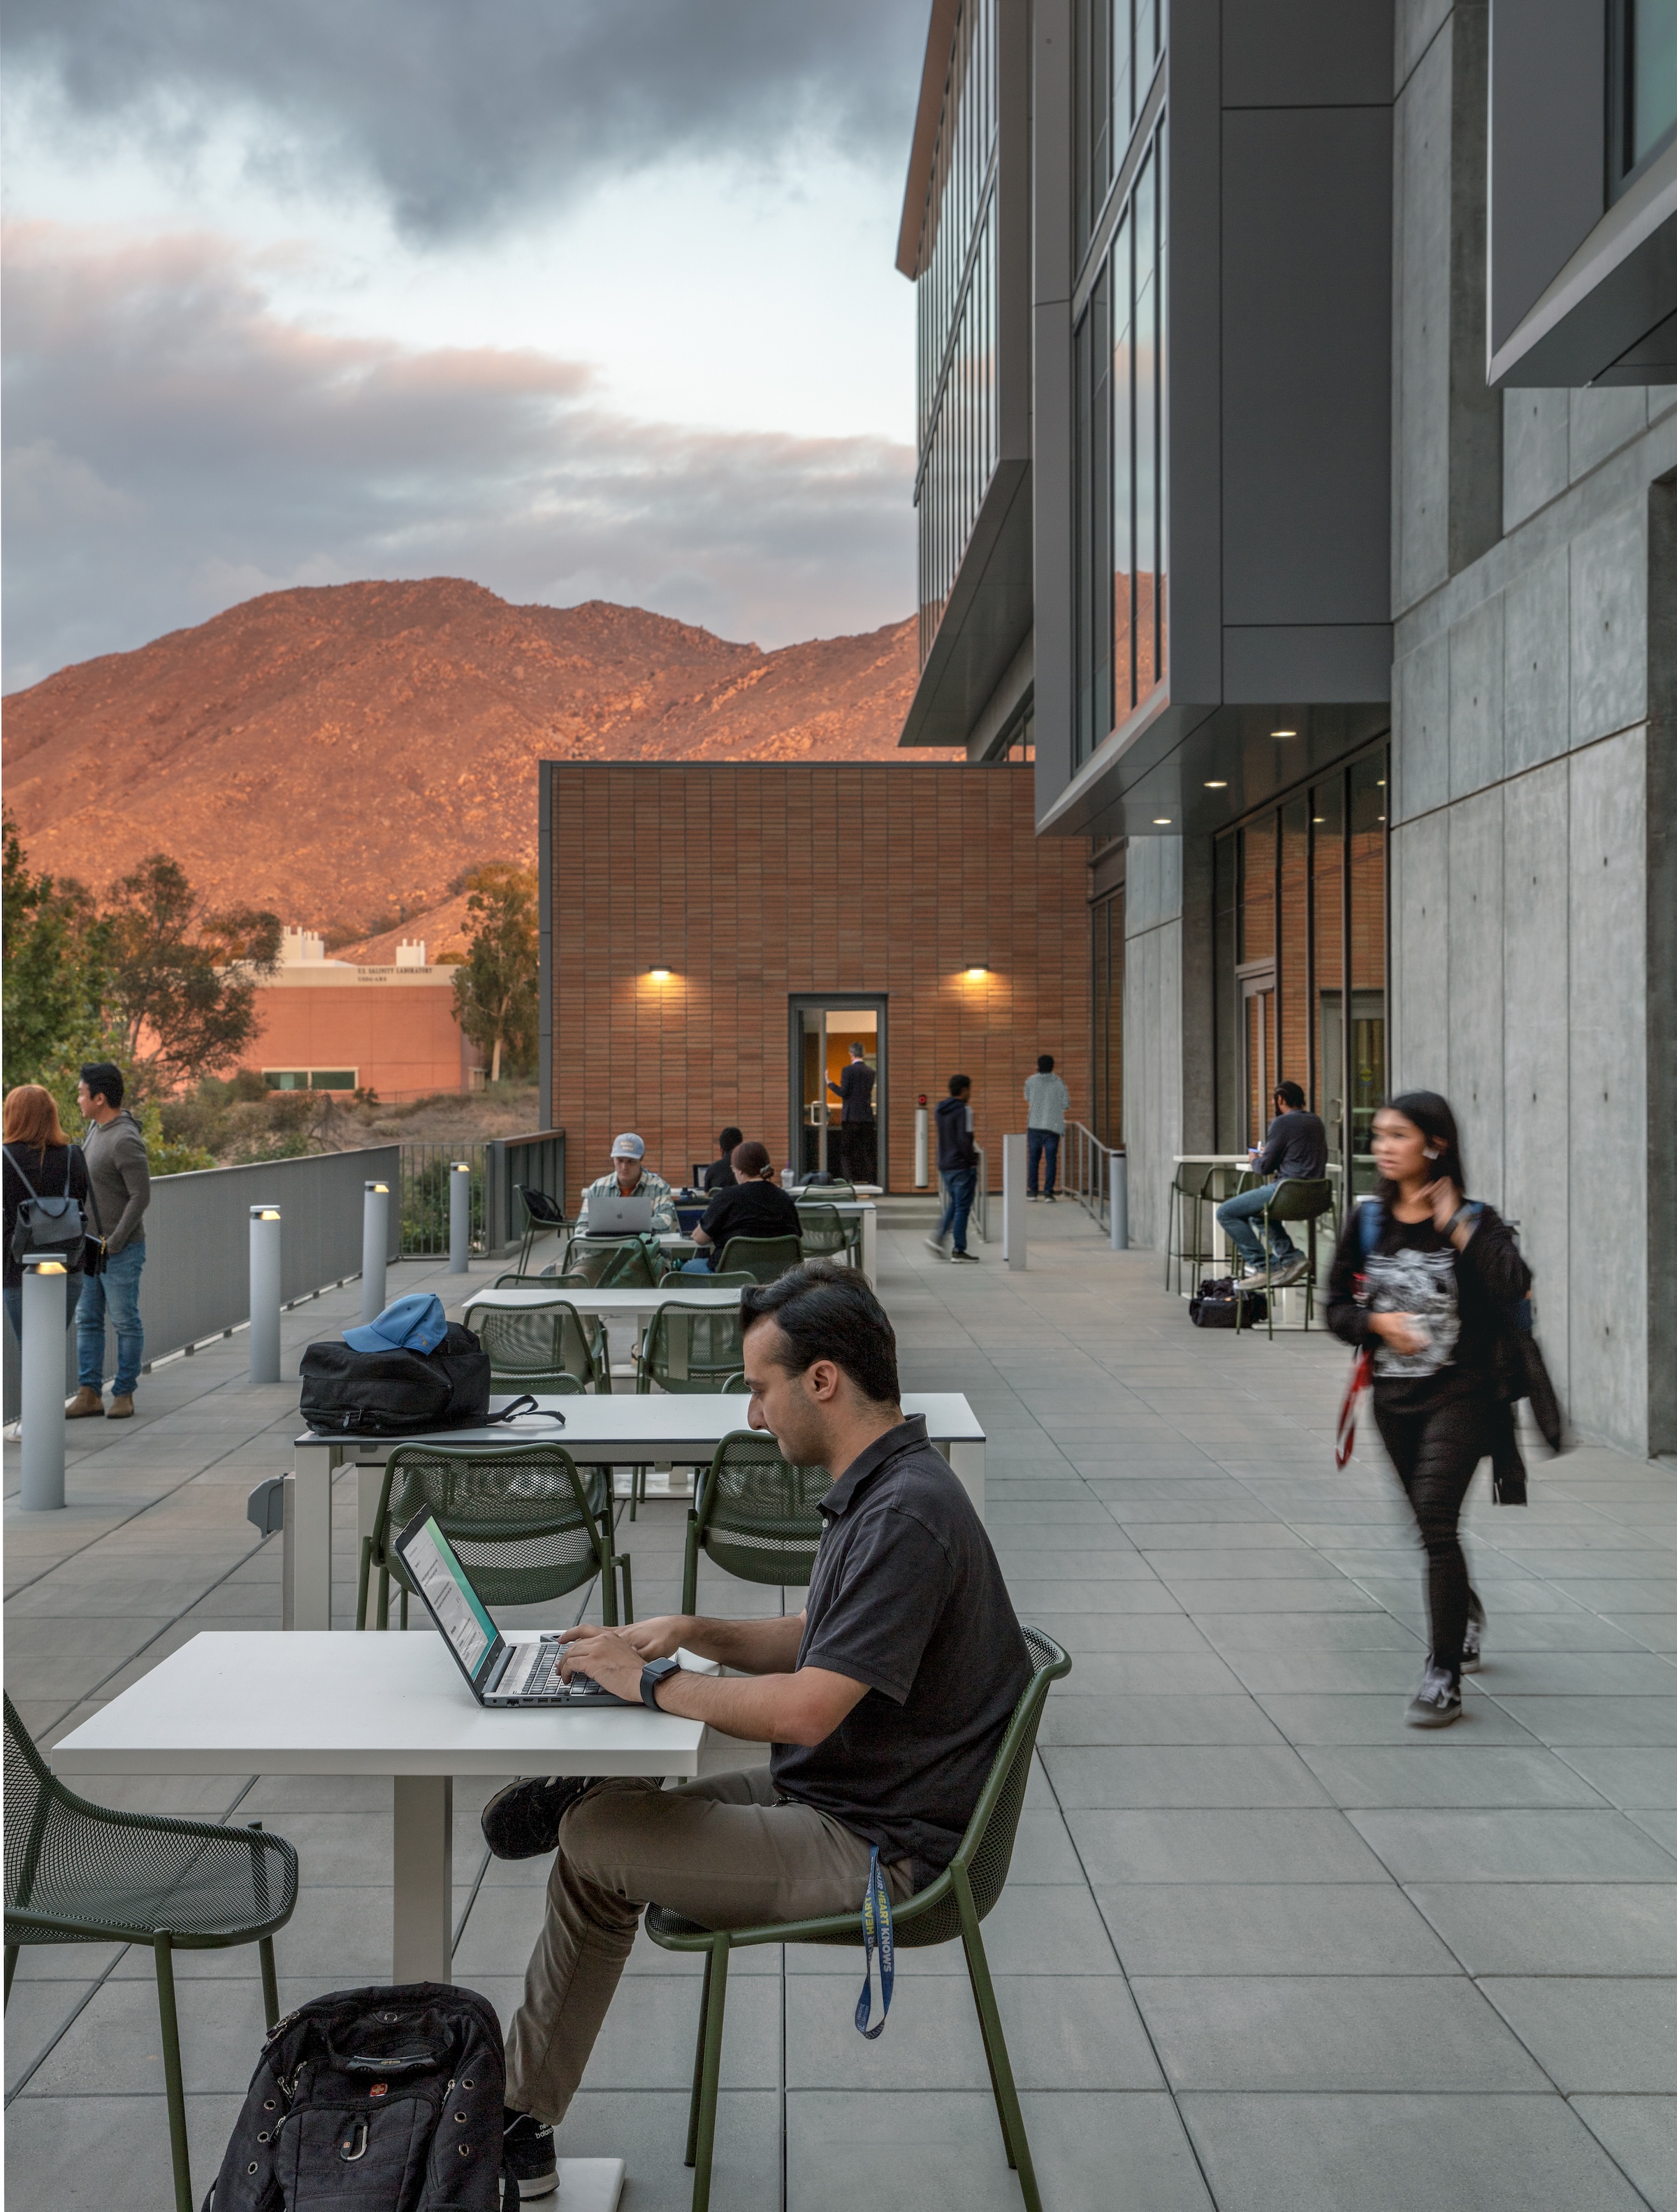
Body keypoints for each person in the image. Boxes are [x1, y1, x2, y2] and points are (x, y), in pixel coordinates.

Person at [485, 1262, 1031, 2196]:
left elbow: (809, 1704)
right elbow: (826, 1642)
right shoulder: (889, 1483)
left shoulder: (906, 1514)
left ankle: (511, 2115)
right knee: (595, 1848)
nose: (752, 1414)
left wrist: (651, 1683)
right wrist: (692, 1631)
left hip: (887, 1852)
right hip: (846, 1792)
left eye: (760, 1387)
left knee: (594, 1834)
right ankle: (518, 2123)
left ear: (823, 1380)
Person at [1326, 1092, 1529, 1728]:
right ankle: (1462, 1608)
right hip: (1394, 1399)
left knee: (1437, 1520)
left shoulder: (1473, 1217)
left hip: (1462, 1394)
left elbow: (1514, 1283)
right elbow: (1334, 1307)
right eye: (1378, 1134)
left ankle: (1442, 1674)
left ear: (1433, 1145)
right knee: (1426, 1525)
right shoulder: (1367, 1221)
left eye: (1398, 1135)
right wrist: (1375, 1321)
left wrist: (1460, 1226)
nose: (1383, 1146)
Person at [69, 1062, 150, 1420]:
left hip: (119, 1249)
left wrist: (116, 1240)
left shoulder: (125, 1139)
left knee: (124, 1321)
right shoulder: (95, 1129)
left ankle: (124, 1393)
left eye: (82, 1093)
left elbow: (141, 1196)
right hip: (90, 1246)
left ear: (100, 1098)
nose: (78, 1099)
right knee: (87, 1319)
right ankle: (89, 1393)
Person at [1215, 1080, 1328, 1287]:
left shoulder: (1281, 1123)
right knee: (1257, 1214)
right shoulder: (1316, 1121)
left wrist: (1254, 1159)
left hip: (1287, 1192)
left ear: (1281, 1099)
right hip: (1317, 1196)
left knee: (1225, 1212)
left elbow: (1264, 1168)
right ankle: (1291, 1257)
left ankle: (1266, 1268)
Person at [3, 1085, 90, 1350]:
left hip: (18, 1267)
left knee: (31, 1349)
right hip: (68, 1265)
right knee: (50, 1348)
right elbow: (80, 1202)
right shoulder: (73, 1155)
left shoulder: (4, 1158)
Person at [682, 1140, 801, 1272]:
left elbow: (699, 1238)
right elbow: (796, 1237)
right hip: (778, 1277)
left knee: (688, 1267)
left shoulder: (727, 1196)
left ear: (739, 1171)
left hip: (731, 1275)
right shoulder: (785, 1198)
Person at [573, 1133, 677, 1236]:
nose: (624, 1167)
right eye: (620, 1161)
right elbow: (581, 1228)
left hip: (644, 1251)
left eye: (631, 1161)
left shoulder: (659, 1187)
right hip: (604, 1250)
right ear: (613, 1160)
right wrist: (636, 1227)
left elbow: (666, 1222)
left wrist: (615, 1228)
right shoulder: (597, 1187)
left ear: (641, 1159)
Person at [924, 1075, 980, 1264]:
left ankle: (939, 1238)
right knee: (962, 1207)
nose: (970, 1093)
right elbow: (966, 1139)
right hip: (961, 1166)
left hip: (945, 1164)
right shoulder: (965, 1110)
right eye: (969, 1089)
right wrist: (973, 1160)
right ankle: (959, 1250)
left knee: (955, 1204)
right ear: (964, 1090)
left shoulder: (940, 1110)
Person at [827, 1041, 877, 1185]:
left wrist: (829, 1083)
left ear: (851, 1054)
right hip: (867, 1117)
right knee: (868, 1151)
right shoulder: (871, 1072)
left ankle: (849, 1180)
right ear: (864, 1054)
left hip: (851, 1117)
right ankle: (871, 1180)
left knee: (846, 1151)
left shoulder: (848, 1070)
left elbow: (844, 1093)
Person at [1022, 1054, 1070, 1201]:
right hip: (1053, 1127)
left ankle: (1033, 1192)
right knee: (1051, 1160)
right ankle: (1049, 1193)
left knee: (1033, 1159)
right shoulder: (1059, 1083)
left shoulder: (1030, 1081)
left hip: (1035, 1125)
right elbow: (1066, 1104)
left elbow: (1028, 1098)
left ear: (1038, 1066)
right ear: (1052, 1066)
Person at [700, 1127, 745, 1192]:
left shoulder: (712, 1169)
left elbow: (708, 1197)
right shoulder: (749, 1168)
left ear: (721, 1150)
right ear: (741, 1146)